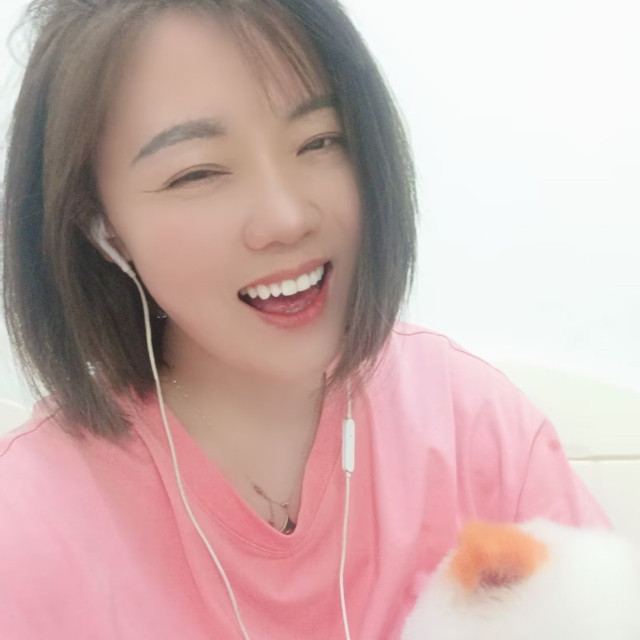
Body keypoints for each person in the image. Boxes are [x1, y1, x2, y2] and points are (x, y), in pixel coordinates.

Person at [0, 1, 609, 638]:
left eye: (320, 141)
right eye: (198, 172)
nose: (287, 218)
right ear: (100, 225)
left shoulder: (472, 429)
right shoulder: (29, 525)